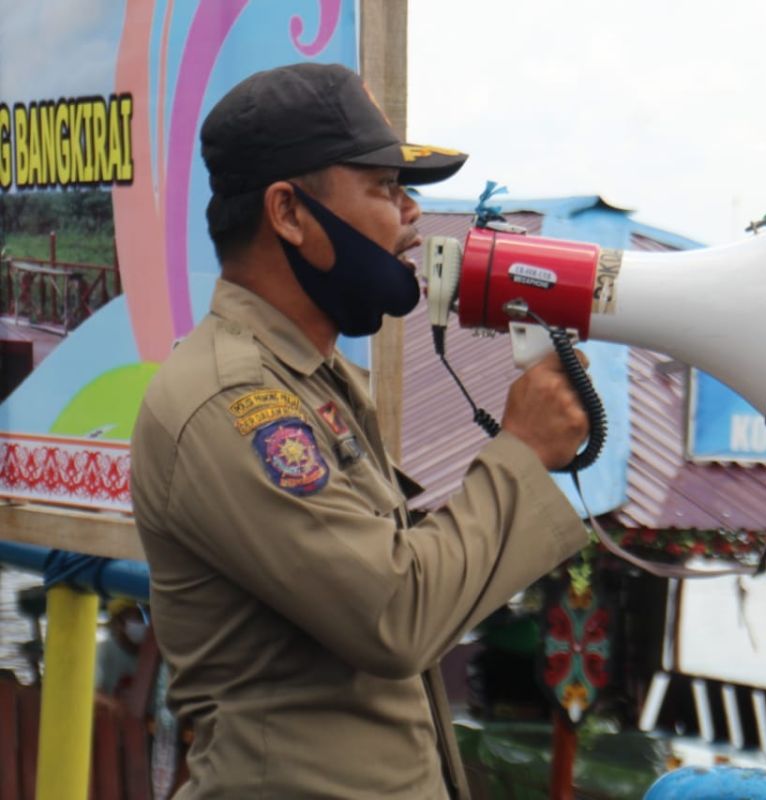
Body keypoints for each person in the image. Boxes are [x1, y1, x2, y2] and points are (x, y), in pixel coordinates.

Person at [130, 62, 590, 798]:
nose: (411, 213)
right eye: (384, 187)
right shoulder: (233, 403)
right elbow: (396, 613)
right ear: (287, 213)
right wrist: (522, 455)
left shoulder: (310, 380)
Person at [94, 596, 145, 695]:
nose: (140, 623)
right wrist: (113, 706)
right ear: (117, 622)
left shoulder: (152, 655)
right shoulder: (103, 650)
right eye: (133, 617)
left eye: (140, 617)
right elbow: (93, 694)